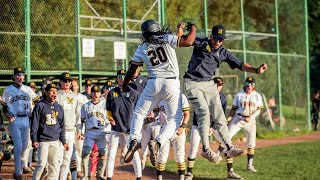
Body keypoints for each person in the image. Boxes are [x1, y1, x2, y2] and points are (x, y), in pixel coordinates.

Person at [183, 24, 267, 162]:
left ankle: (230, 147)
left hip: (209, 83)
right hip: (192, 82)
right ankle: (206, 149)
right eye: (216, 38)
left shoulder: (223, 52)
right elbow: (187, 41)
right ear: (211, 36)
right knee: (203, 112)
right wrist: (188, 29)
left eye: (221, 39)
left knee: (219, 116)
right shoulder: (201, 42)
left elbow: (240, 65)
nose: (218, 42)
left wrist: (256, 70)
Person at [123, 20, 196, 164]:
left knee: (139, 113)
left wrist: (125, 84)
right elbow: (188, 41)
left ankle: (134, 140)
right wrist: (193, 28)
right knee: (175, 119)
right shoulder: (166, 38)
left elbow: (132, 69)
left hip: (153, 82)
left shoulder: (142, 47)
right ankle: (158, 142)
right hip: (171, 83)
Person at [218, 77, 264, 179]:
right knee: (226, 137)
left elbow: (259, 110)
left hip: (250, 121)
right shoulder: (239, 95)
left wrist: (250, 117)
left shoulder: (257, 96)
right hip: (238, 119)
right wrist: (228, 119)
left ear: (254, 86)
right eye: (247, 85)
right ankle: (218, 154)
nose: (248, 87)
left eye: (250, 85)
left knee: (251, 144)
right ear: (245, 85)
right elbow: (233, 109)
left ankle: (249, 165)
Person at [2, 67, 40, 180]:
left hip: (26, 119)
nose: (20, 77)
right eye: (18, 75)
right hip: (15, 119)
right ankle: (18, 172)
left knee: (25, 146)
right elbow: (4, 107)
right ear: (13, 77)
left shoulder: (28, 89)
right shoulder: (8, 90)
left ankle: (22, 162)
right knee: (18, 145)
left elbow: (38, 101)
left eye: (22, 75)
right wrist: (7, 116)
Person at [186, 77, 226, 180]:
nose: (217, 86)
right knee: (193, 148)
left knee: (227, 142)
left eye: (219, 85)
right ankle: (189, 173)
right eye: (215, 84)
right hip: (198, 125)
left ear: (222, 86)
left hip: (214, 126)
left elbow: (220, 116)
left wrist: (212, 127)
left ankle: (230, 171)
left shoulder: (223, 98)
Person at [106, 69, 142, 180]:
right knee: (111, 155)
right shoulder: (112, 93)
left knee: (134, 155)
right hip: (116, 128)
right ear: (117, 79)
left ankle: (139, 177)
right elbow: (108, 109)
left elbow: (140, 111)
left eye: (124, 76)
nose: (122, 78)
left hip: (130, 129)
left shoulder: (134, 93)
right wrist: (110, 118)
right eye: (120, 76)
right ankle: (109, 177)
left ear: (129, 78)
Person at [30, 83, 69, 180]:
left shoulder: (59, 107)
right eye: (51, 91)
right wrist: (34, 139)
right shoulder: (40, 106)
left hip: (55, 140)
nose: (54, 93)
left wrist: (63, 141)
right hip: (43, 140)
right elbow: (34, 124)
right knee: (42, 164)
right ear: (46, 93)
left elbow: (62, 125)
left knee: (54, 165)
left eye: (55, 91)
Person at [77, 85, 110, 180]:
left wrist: (110, 122)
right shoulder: (85, 106)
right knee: (85, 152)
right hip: (90, 132)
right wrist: (79, 131)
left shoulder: (105, 105)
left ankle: (99, 175)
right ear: (91, 93)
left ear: (100, 94)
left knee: (103, 153)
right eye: (94, 92)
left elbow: (109, 118)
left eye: (97, 92)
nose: (95, 94)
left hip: (101, 132)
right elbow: (81, 121)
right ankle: (86, 175)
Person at [154, 93, 190, 180]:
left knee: (180, 156)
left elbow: (186, 114)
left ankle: (181, 178)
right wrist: (150, 118)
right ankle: (159, 178)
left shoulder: (181, 96)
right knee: (162, 157)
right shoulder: (159, 97)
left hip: (178, 131)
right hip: (164, 132)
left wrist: (182, 127)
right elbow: (156, 114)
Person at [56, 72, 81, 180]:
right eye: (65, 80)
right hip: (59, 131)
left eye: (69, 81)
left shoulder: (75, 96)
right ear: (60, 82)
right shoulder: (56, 95)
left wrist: (79, 130)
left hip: (71, 131)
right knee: (58, 159)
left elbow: (78, 114)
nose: (67, 83)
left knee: (67, 159)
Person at [71, 78, 89, 178]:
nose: (74, 87)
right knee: (68, 150)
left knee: (79, 149)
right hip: (69, 126)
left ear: (78, 86)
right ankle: (70, 172)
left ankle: (78, 170)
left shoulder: (83, 98)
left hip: (80, 126)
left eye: (75, 85)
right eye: (72, 85)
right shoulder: (67, 97)